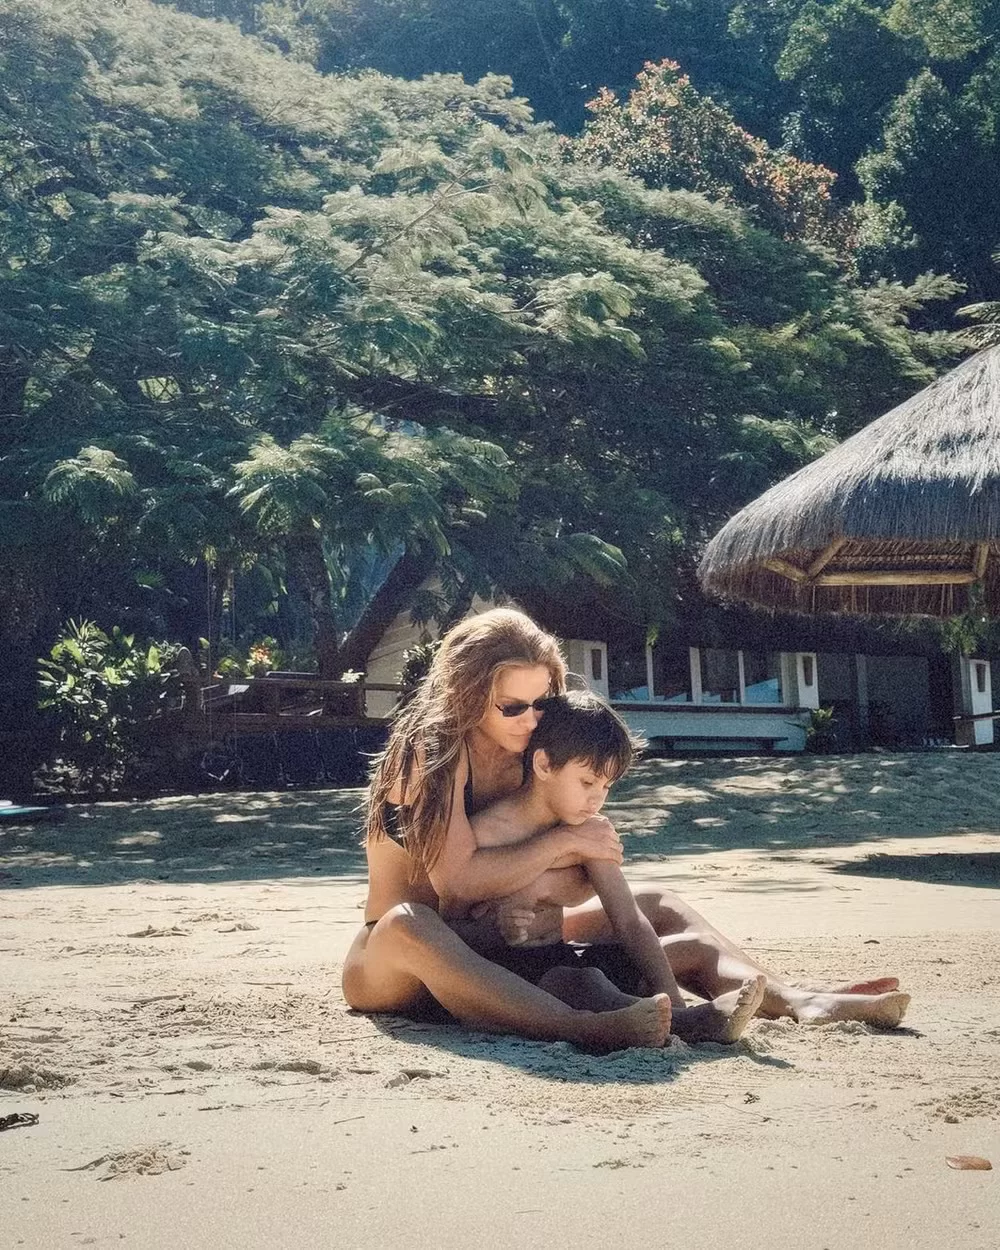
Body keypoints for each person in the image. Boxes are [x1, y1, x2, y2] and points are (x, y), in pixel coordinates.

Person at [341, 608, 909, 1051]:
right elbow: (459, 884)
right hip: (405, 960)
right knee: (407, 922)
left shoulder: (533, 746)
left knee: (657, 901)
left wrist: (556, 882)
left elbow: (559, 873)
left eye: (543, 702)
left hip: (502, 939)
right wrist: (561, 848)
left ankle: (795, 999)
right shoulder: (434, 752)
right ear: (465, 695)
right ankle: (581, 1027)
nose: (532, 719)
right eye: (511, 707)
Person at [464, 689, 767, 1044]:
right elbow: (449, 925)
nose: (596, 798)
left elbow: (628, 919)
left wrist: (672, 992)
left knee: (667, 952)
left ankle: (691, 1013)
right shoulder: (487, 832)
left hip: (562, 956)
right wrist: (497, 928)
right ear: (544, 765)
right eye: (587, 782)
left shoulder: (586, 829)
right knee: (582, 981)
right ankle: (683, 1024)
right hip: (504, 973)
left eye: (606, 786)